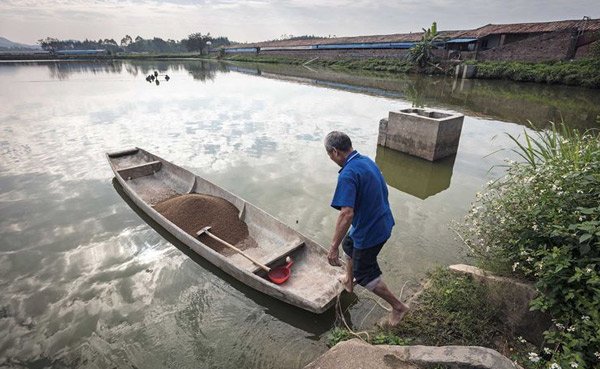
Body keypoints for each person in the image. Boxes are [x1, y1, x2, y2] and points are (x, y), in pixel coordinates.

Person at [324, 131, 410, 326]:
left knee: (365, 274)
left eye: (329, 155)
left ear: (335, 152)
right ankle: (348, 278)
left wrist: (332, 246)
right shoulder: (366, 161)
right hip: (381, 220)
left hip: (372, 231)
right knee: (348, 244)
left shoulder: (347, 174)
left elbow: (346, 214)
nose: (331, 159)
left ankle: (399, 307)